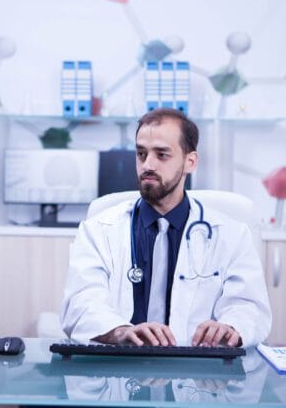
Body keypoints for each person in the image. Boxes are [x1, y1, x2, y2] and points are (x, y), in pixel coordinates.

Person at [60, 108, 271, 348]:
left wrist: (231, 327)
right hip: (119, 370)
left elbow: (250, 308)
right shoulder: (98, 229)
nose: (147, 164)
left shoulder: (231, 234)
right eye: (141, 153)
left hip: (199, 376)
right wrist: (119, 332)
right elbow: (80, 305)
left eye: (161, 155)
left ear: (190, 162)